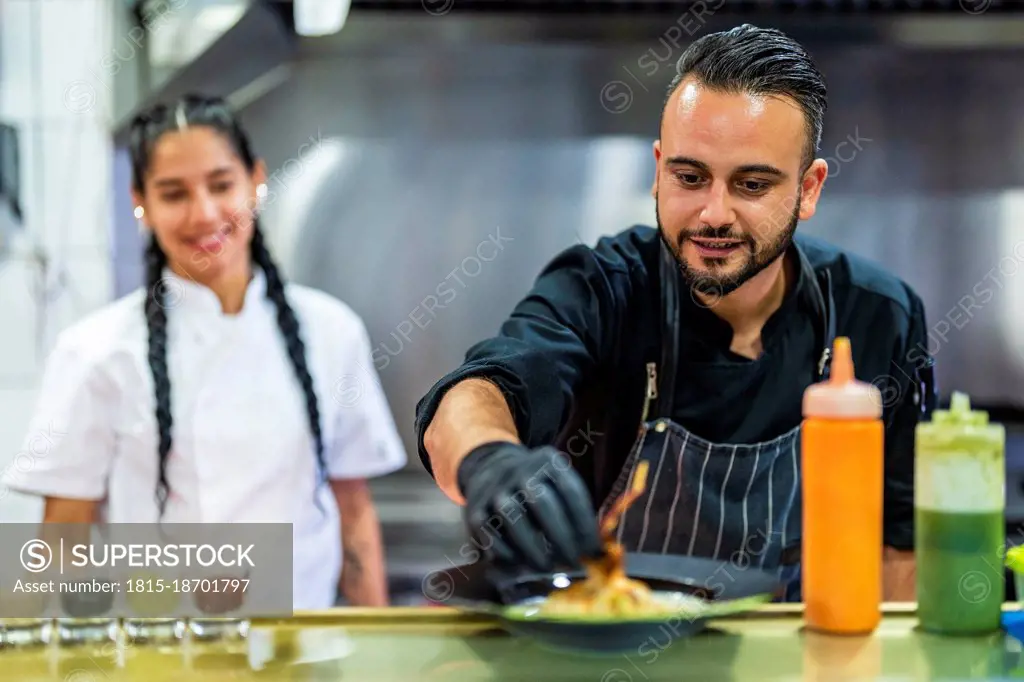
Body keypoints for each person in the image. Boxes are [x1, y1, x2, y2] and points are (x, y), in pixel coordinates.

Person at [414, 25, 936, 602]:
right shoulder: (603, 289)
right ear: (659, 168)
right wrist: (489, 461)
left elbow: (898, 544)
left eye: (752, 184)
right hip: (597, 645)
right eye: (689, 178)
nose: (714, 213)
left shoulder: (876, 315)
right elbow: (478, 392)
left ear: (808, 189)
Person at [2, 94, 407, 609]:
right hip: (160, 649)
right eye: (174, 194)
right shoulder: (94, 351)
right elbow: (63, 540)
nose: (205, 213)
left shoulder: (333, 332)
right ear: (140, 202)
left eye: (221, 185)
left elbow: (354, 514)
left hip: (302, 648)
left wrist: (379, 646)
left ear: (256, 181)